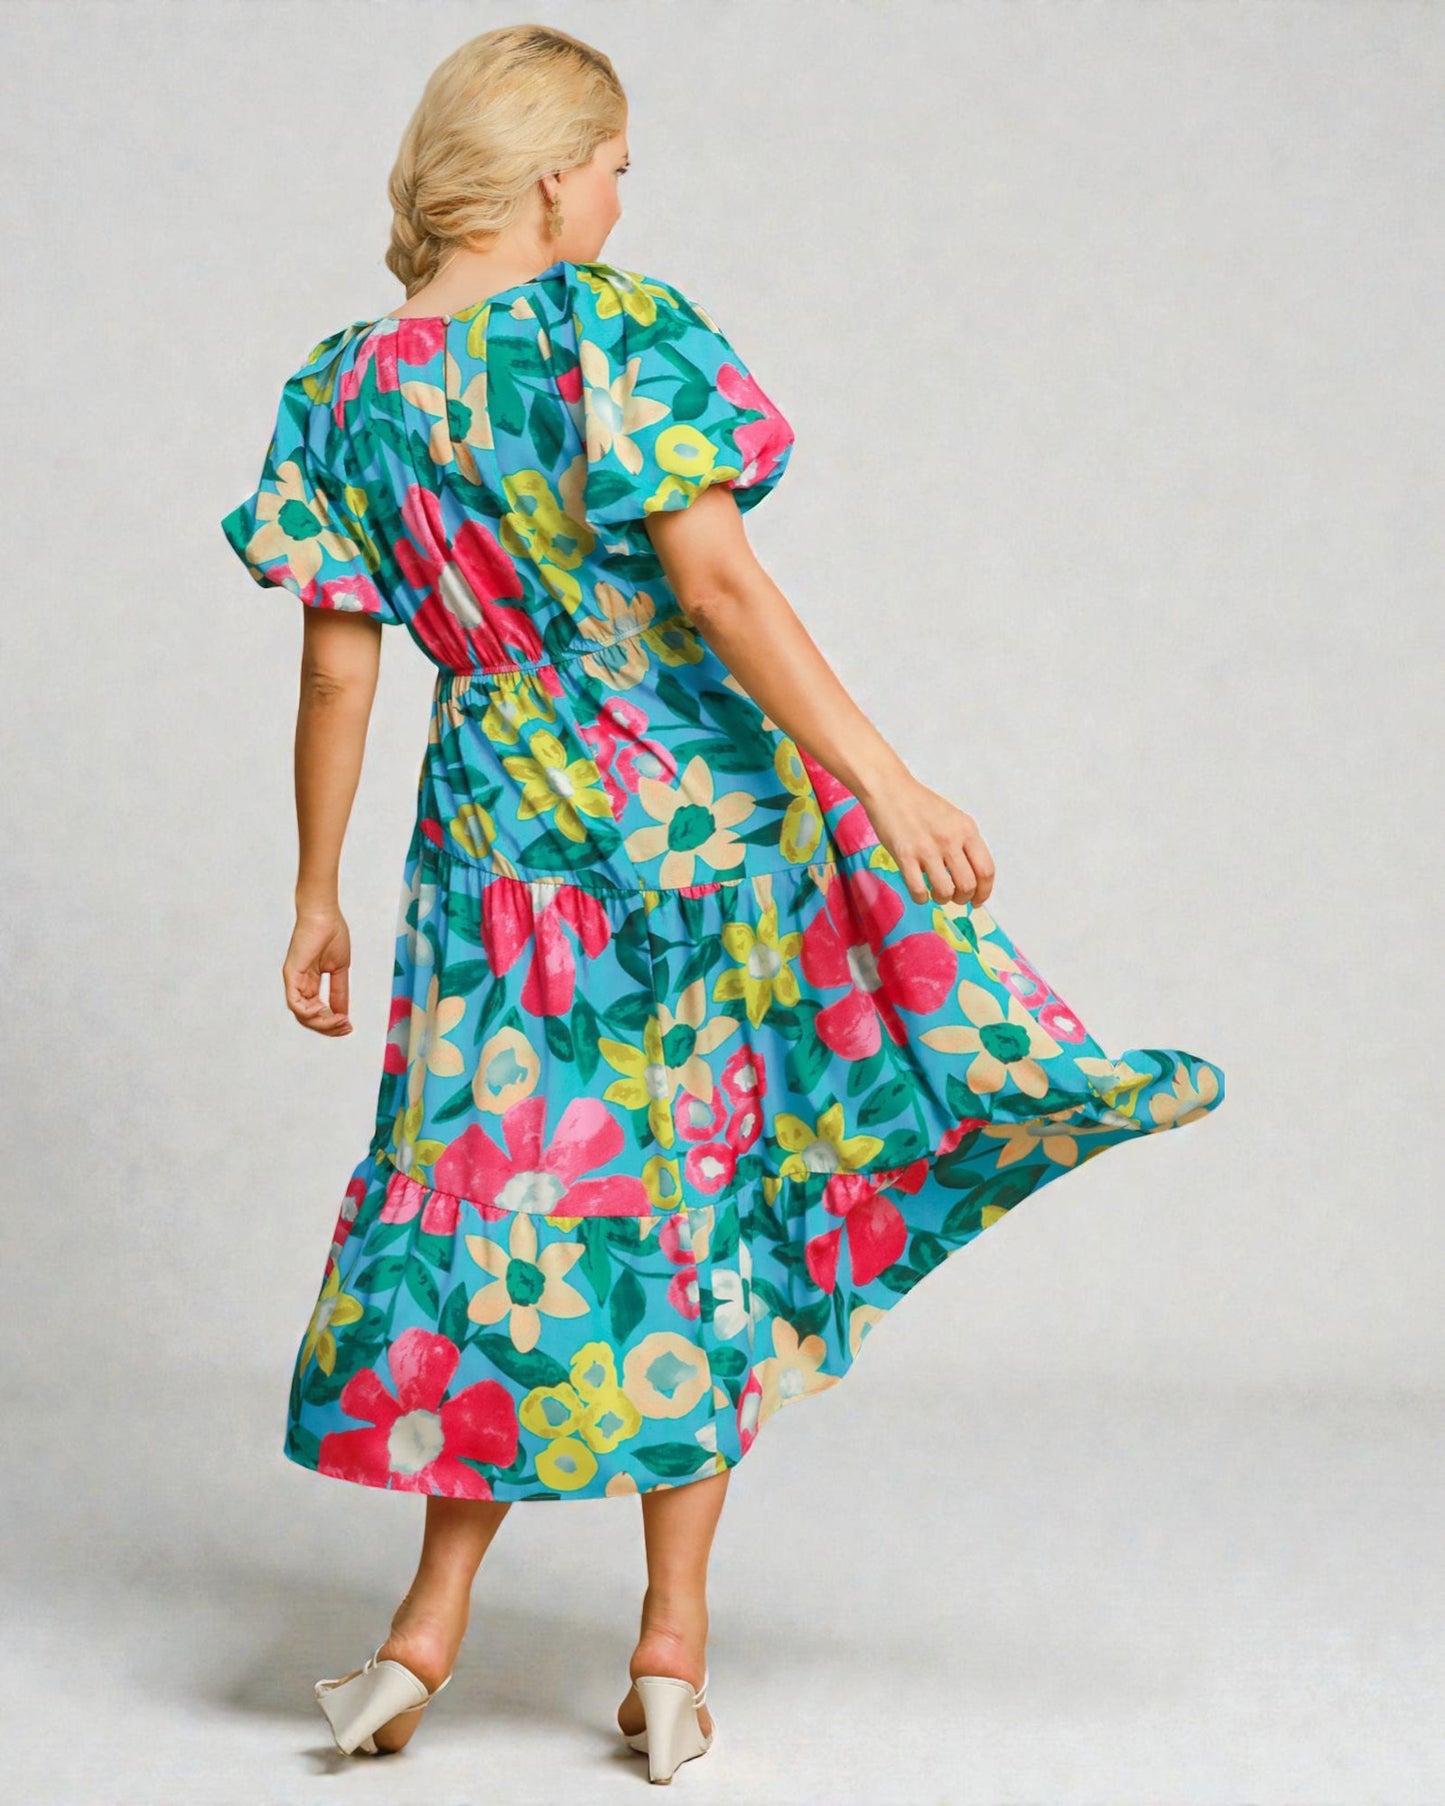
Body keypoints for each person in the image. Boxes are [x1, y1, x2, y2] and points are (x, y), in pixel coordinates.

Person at [220, 22, 1226, 1782]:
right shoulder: (617, 331)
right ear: (551, 174)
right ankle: (669, 1657)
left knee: (492, 1216)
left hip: (488, 857)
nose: (621, 191)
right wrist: (888, 780)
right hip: (690, 843)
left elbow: (332, 677)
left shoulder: (344, 390)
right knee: (696, 1212)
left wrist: (312, 890)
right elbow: (722, 589)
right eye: (612, 160)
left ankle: (418, 1635)